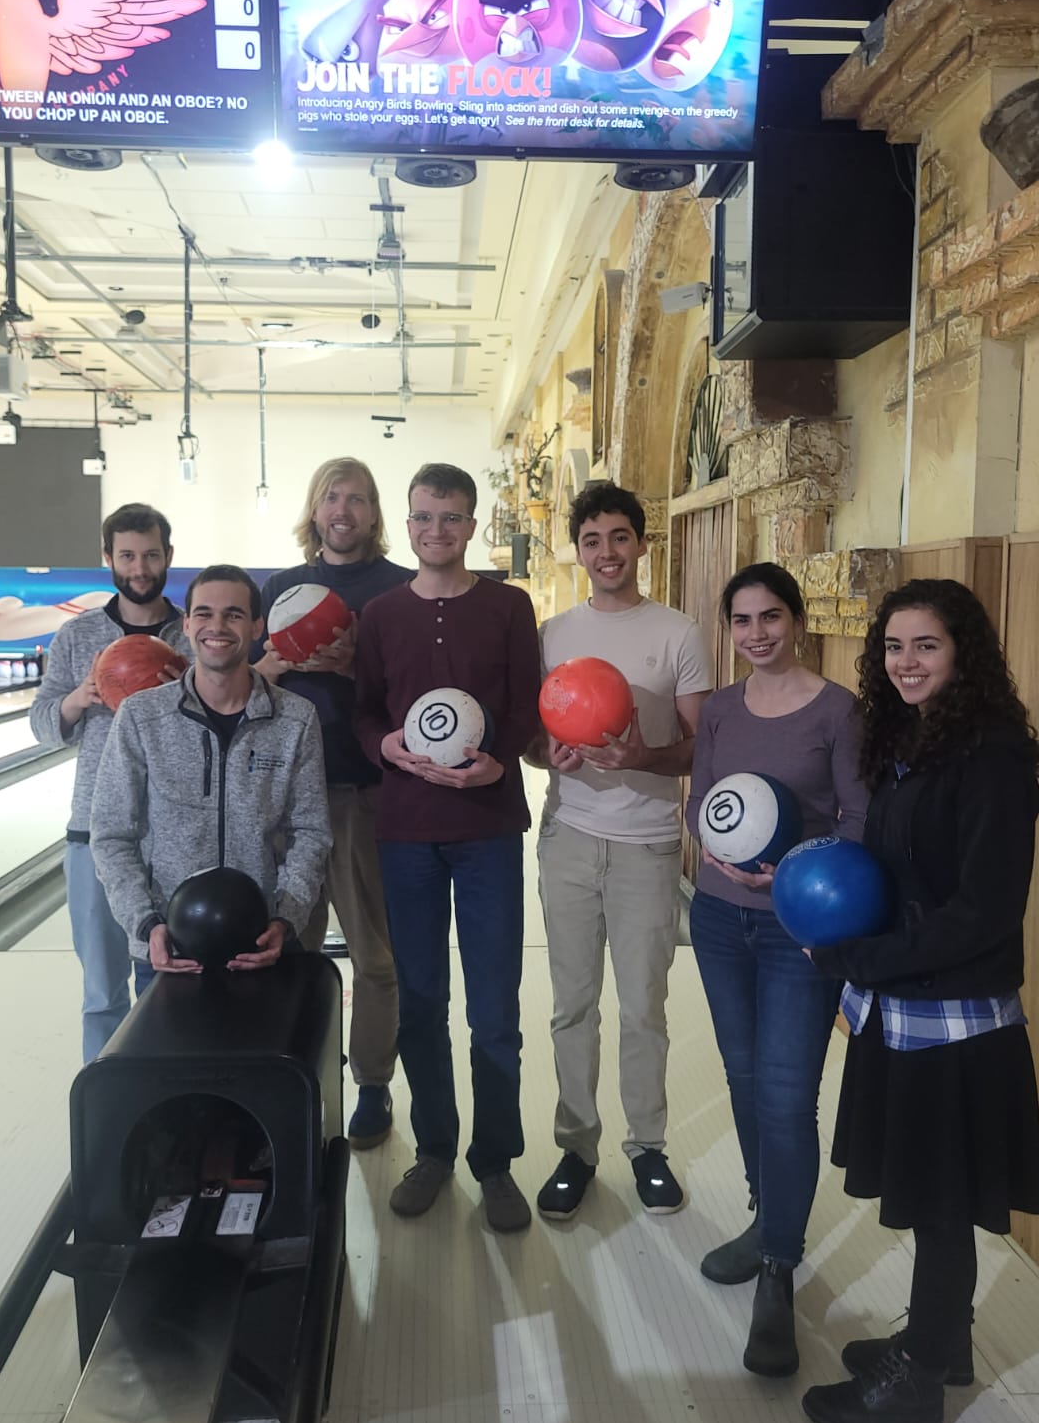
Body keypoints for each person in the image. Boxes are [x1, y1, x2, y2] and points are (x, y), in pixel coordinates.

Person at [800, 578, 1039, 1423]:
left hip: (956, 1020)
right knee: (929, 1193)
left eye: (927, 646)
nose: (906, 663)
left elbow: (984, 911)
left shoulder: (991, 757)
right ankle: (945, 1346)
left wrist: (859, 959)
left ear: (962, 652)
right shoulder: (912, 738)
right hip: (905, 1003)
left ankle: (917, 1388)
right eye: (894, 647)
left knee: (942, 1205)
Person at [685, 563, 867, 1378]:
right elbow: (702, 802)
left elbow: (859, 820)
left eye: (770, 617)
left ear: (796, 621)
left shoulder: (838, 711)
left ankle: (778, 1268)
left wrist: (790, 867)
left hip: (799, 928)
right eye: (742, 620)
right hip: (719, 919)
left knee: (788, 1096)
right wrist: (721, 852)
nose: (756, 633)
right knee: (745, 1076)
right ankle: (766, 1220)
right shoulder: (721, 710)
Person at [354, 463, 542, 1234]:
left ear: (472, 526)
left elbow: (527, 708)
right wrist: (385, 746)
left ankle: (495, 1162)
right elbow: (366, 712)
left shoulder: (509, 605)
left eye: (452, 517)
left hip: (488, 828)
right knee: (422, 1002)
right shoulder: (381, 614)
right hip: (407, 832)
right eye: (425, 517)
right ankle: (434, 1149)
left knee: (494, 1008)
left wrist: (502, 759)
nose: (437, 530)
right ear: (408, 524)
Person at [534, 482, 711, 1222]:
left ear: (641, 544)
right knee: (572, 1006)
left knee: (643, 1008)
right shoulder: (552, 634)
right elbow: (538, 738)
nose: (606, 552)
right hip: (570, 837)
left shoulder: (678, 633)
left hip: (647, 844)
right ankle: (577, 1147)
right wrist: (548, 755)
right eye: (592, 540)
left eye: (619, 537)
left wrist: (644, 756)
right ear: (578, 552)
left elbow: (702, 746)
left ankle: (647, 1147)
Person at [254, 458, 412, 1149]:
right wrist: (272, 667)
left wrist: (353, 666)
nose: (342, 510)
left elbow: (419, 700)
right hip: (286, 803)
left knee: (376, 958)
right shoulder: (281, 588)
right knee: (291, 950)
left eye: (356, 499)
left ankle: (372, 1085)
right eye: (330, 497)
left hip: (361, 794)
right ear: (314, 510)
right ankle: (295, 1073)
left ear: (374, 514)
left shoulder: (398, 588)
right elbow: (248, 688)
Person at [91, 565, 331, 982]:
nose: (216, 626)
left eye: (233, 614)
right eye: (204, 613)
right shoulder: (141, 716)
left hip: (261, 942)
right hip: (167, 946)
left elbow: (311, 831)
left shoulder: (296, 718)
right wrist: (146, 923)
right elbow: (112, 833)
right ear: (186, 624)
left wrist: (286, 919)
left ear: (256, 626)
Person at [30, 503, 189, 1061]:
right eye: (127, 556)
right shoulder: (78, 635)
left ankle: (167, 1098)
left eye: (150, 555)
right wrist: (79, 697)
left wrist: (185, 692)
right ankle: (107, 1104)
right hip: (94, 833)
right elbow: (43, 725)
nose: (139, 568)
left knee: (171, 986)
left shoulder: (191, 634)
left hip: (174, 836)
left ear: (169, 556)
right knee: (102, 994)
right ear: (108, 558)